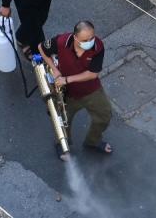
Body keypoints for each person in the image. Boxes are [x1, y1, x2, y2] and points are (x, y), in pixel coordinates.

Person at [38, 21, 113, 159]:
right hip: (67, 93)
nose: (90, 42)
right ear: (75, 37)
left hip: (90, 89)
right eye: (85, 40)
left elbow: (92, 74)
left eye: (92, 38)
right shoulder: (61, 41)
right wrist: (54, 70)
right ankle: (63, 144)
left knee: (105, 115)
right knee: (61, 121)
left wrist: (66, 79)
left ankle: (93, 141)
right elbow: (41, 48)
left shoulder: (98, 47)